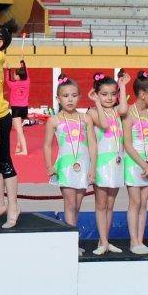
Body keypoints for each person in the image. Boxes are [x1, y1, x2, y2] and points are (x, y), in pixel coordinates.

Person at [86, 71, 129, 256]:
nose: (109, 98)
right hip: (102, 163)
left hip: (117, 163)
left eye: (113, 93)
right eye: (104, 94)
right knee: (101, 205)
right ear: (96, 94)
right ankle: (102, 241)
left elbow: (125, 109)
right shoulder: (93, 112)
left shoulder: (117, 111)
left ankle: (105, 239)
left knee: (110, 206)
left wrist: (124, 85)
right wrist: (96, 101)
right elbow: (104, 124)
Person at [45, 78, 92, 230]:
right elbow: (46, 145)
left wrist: (92, 167)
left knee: (77, 204)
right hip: (65, 167)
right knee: (70, 203)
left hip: (83, 165)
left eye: (73, 95)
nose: (70, 99)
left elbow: (92, 144)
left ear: (79, 97)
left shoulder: (86, 118)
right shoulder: (54, 120)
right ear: (58, 98)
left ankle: (71, 235)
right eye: (65, 96)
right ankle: (72, 243)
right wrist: (49, 166)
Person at [123, 73, 148, 255]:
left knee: (144, 203)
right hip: (134, 161)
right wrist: (144, 165)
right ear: (143, 94)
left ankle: (141, 239)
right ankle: (133, 241)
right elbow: (127, 144)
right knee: (135, 202)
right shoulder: (129, 113)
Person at [6, 63, 30, 156]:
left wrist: (8, 70)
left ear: (19, 76)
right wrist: (23, 64)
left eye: (15, 74)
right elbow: (26, 74)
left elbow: (7, 80)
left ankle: (24, 150)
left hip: (16, 109)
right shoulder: (27, 82)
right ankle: (18, 146)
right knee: (19, 128)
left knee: (19, 131)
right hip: (24, 109)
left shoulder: (13, 85)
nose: (14, 75)